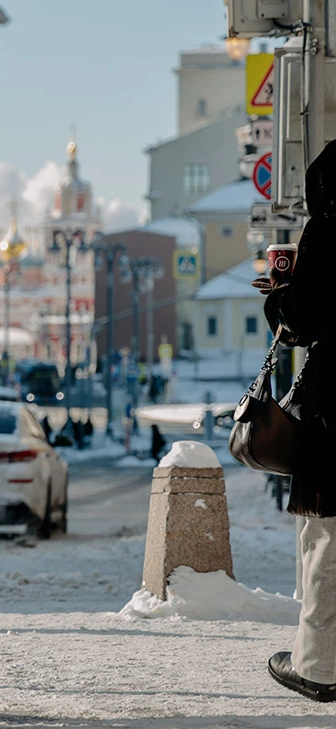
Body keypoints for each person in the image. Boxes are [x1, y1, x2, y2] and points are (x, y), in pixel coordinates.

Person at [262, 139, 336, 702]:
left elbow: (305, 318)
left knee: (327, 537)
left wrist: (280, 298)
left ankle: (318, 664)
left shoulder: (332, 227)